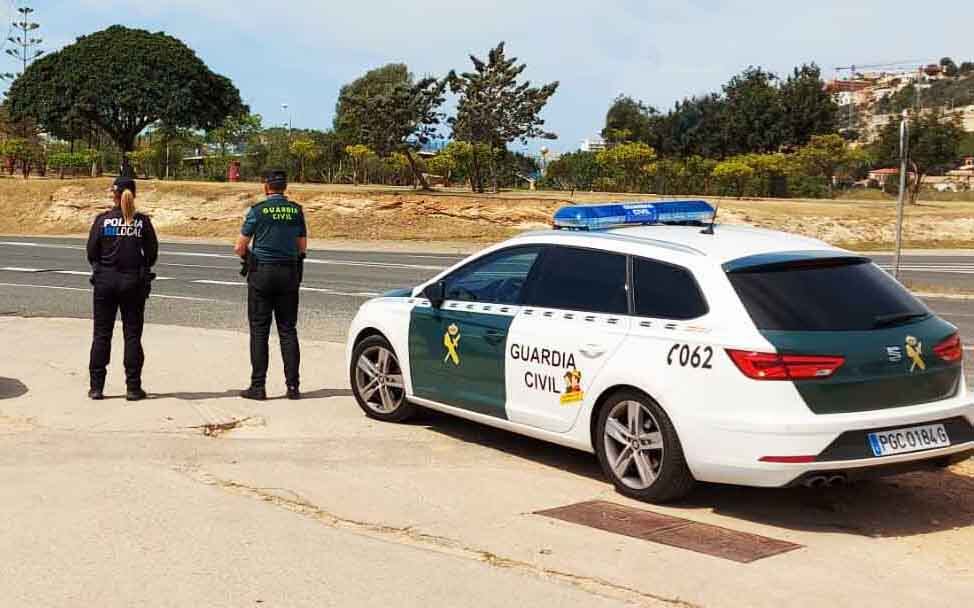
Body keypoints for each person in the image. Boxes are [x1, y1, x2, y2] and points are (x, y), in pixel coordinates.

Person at [235, 169, 307, 401]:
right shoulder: (296, 211)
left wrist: (251, 256)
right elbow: (302, 246)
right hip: (288, 272)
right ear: (284, 187)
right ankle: (293, 387)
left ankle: (258, 386)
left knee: (259, 331)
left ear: (266, 186)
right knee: (288, 330)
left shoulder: (258, 211)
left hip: (262, 273)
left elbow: (239, 246)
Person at [86, 176, 158, 401]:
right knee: (132, 336)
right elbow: (152, 254)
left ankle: (97, 387)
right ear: (133, 194)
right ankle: (133, 388)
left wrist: (101, 269)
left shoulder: (103, 220)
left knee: (101, 335)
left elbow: (91, 252)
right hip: (132, 283)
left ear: (114, 195)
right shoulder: (142, 222)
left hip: (105, 282)